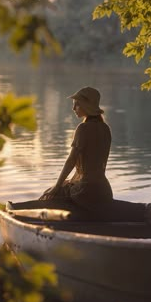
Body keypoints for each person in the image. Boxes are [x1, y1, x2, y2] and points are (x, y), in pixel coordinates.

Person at [39, 86, 113, 215]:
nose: (73, 109)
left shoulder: (83, 128)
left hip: (86, 190)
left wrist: (57, 186)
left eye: (77, 105)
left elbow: (71, 160)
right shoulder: (106, 128)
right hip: (104, 190)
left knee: (48, 195)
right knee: (61, 188)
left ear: (86, 105)